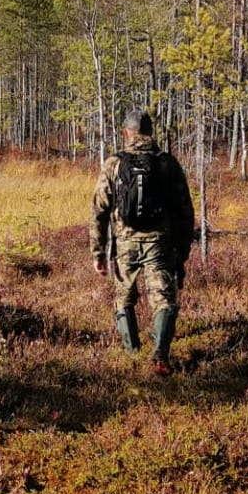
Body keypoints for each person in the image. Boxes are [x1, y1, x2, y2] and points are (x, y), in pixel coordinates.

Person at [90, 109, 196, 375]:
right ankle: (159, 355)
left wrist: (98, 252)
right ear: (149, 132)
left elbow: (99, 210)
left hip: (125, 244)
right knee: (164, 299)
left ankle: (132, 353)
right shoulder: (167, 163)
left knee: (124, 297)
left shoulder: (114, 164)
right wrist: (182, 252)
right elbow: (185, 211)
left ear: (126, 133)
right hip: (158, 243)